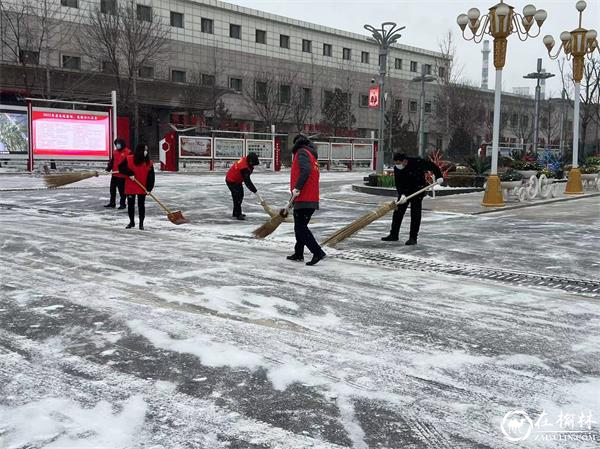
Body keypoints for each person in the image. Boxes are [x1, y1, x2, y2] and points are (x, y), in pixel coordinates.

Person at [381, 152, 443, 246]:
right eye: (395, 163)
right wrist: (401, 194)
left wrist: (439, 176)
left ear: (404, 161)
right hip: (405, 193)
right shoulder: (397, 169)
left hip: (418, 190)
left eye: (398, 163)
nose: (397, 165)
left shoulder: (417, 162)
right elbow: (398, 183)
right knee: (397, 213)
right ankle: (394, 234)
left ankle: (413, 238)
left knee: (415, 215)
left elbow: (432, 166)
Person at [287, 134, 326, 266]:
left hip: (304, 196)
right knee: (300, 227)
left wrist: (297, 188)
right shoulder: (311, 155)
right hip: (310, 197)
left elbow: (305, 171)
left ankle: (317, 252)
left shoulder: (302, 152)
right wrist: (291, 200)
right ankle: (298, 253)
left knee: (301, 228)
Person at [119, 143, 155, 230]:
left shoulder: (148, 162)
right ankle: (131, 222)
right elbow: (121, 168)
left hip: (142, 187)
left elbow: (151, 177)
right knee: (130, 205)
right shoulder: (129, 159)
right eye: (144, 150)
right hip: (131, 186)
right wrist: (129, 173)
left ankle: (141, 223)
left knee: (141, 205)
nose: (146, 152)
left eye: (146, 150)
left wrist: (149, 188)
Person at [225, 152, 260, 220]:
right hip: (231, 180)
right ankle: (238, 214)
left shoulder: (246, 161)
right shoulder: (244, 167)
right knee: (237, 196)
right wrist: (254, 190)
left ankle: (235, 212)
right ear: (250, 161)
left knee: (240, 195)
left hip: (237, 180)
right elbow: (247, 181)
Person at [104, 138, 131, 209]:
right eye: (116, 144)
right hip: (114, 174)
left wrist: (127, 172)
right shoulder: (115, 152)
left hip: (122, 175)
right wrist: (108, 169)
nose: (117, 145)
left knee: (122, 191)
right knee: (112, 189)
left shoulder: (128, 152)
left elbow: (130, 164)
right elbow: (112, 162)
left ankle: (123, 204)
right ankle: (112, 203)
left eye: (119, 144)